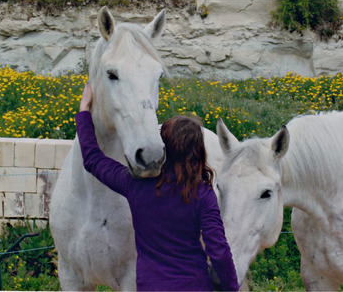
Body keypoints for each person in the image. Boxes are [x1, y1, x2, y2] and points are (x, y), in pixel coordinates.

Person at [75, 83, 239, 291]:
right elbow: (219, 251)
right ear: (198, 150)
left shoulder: (136, 184)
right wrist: (231, 287)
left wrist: (84, 112)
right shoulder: (202, 194)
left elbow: (93, 159)